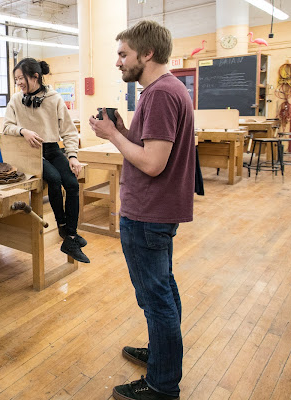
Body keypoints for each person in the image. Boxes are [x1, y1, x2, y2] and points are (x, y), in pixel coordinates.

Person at [89, 21, 195, 400]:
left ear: (146, 54)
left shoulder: (161, 94)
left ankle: (162, 384)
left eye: (123, 54)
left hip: (148, 213)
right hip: (155, 211)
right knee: (162, 289)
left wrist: (113, 136)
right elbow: (150, 149)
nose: (118, 62)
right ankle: (162, 355)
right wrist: (123, 130)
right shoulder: (164, 91)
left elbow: (152, 164)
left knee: (155, 297)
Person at [3, 57, 90, 263]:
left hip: (51, 148)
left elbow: (69, 132)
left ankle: (70, 235)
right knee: (54, 178)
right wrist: (22, 131)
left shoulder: (54, 99)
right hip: (29, 152)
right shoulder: (16, 100)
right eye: (15, 80)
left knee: (71, 182)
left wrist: (73, 157)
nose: (18, 84)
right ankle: (63, 229)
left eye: (20, 79)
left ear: (35, 77)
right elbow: (6, 127)